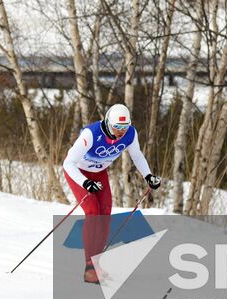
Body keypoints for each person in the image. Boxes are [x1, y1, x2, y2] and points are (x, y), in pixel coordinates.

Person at [61, 104, 162, 284]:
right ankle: (90, 268)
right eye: (117, 128)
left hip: (99, 173)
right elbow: (68, 163)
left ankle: (97, 263)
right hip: (79, 173)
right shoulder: (90, 134)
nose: (121, 132)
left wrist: (148, 176)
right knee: (93, 212)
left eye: (125, 127)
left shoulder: (131, 133)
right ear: (108, 123)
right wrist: (85, 183)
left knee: (105, 214)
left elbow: (137, 156)